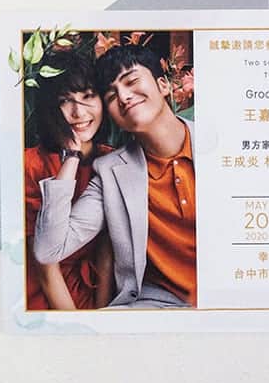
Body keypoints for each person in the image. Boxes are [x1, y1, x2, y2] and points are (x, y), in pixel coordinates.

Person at [34, 43, 196, 309]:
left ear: (163, 85)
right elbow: (48, 251)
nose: (124, 96)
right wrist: (72, 154)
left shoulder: (222, 145)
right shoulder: (109, 173)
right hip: (157, 306)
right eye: (111, 95)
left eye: (131, 81)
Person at [23, 50, 114, 310]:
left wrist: (103, 314)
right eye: (65, 101)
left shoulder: (111, 160)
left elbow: (107, 250)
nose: (78, 112)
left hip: (94, 290)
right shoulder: (32, 164)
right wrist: (74, 323)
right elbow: (45, 266)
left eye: (88, 96)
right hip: (46, 293)